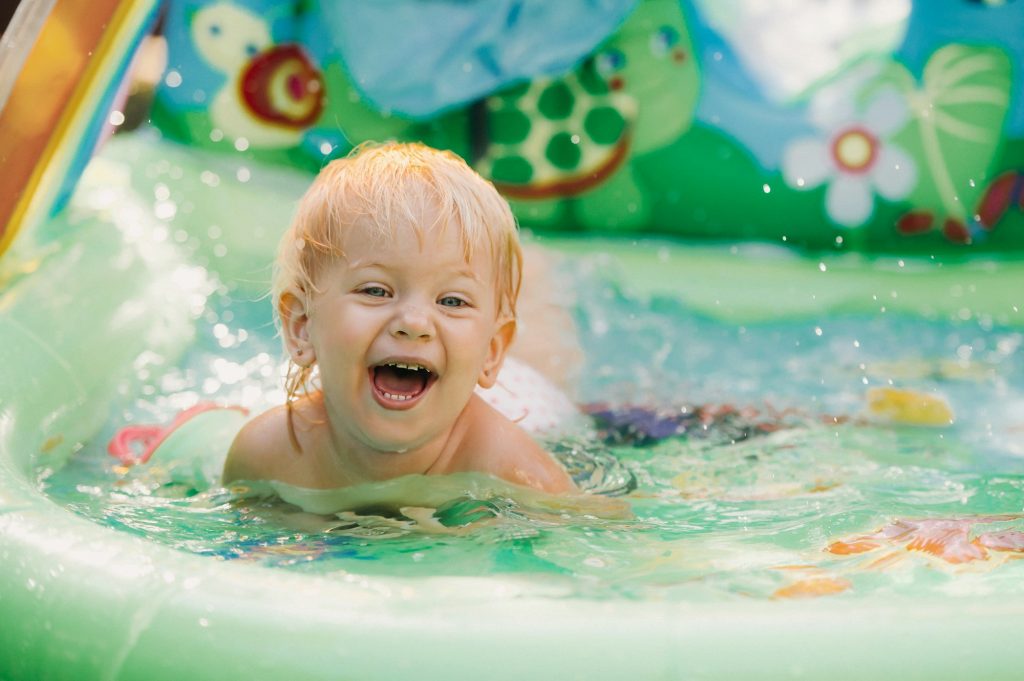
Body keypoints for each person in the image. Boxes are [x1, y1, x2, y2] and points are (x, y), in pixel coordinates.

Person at [222, 141, 576, 495]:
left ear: (492, 352)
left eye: (452, 300)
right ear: (302, 327)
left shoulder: (516, 474)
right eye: (376, 291)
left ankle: (535, 274)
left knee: (543, 345)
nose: (414, 323)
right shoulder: (265, 459)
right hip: (446, 363)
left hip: (525, 401)